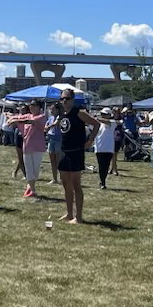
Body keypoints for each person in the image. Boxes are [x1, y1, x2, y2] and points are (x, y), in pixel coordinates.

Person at [57, 88, 101, 224]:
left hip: (76, 151)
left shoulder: (79, 113)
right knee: (66, 184)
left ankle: (79, 217)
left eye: (67, 98)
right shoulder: (62, 114)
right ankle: (69, 213)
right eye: (62, 99)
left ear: (72, 99)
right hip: (64, 151)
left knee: (76, 184)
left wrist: (90, 140)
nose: (64, 101)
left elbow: (96, 124)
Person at [10, 100, 48, 197]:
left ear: (39, 107)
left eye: (33, 105)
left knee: (35, 171)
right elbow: (19, 117)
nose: (31, 107)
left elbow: (31, 121)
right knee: (29, 169)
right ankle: (32, 190)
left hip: (37, 147)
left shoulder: (42, 117)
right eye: (30, 105)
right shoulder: (28, 115)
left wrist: (16, 121)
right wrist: (10, 117)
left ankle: (30, 187)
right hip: (27, 146)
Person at [92, 108, 118, 189]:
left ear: (109, 115)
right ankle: (102, 182)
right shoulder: (97, 124)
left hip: (108, 148)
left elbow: (106, 121)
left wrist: (96, 118)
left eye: (105, 114)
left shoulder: (112, 123)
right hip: (99, 148)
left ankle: (103, 180)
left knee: (106, 166)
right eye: (102, 114)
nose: (103, 116)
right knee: (101, 165)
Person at [45, 103, 63, 184]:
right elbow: (47, 123)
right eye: (51, 109)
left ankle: (61, 178)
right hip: (51, 139)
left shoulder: (60, 117)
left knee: (59, 160)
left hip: (58, 140)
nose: (51, 111)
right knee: (52, 160)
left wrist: (48, 127)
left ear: (58, 110)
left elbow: (56, 123)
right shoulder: (50, 117)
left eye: (53, 109)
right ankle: (54, 179)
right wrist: (46, 127)